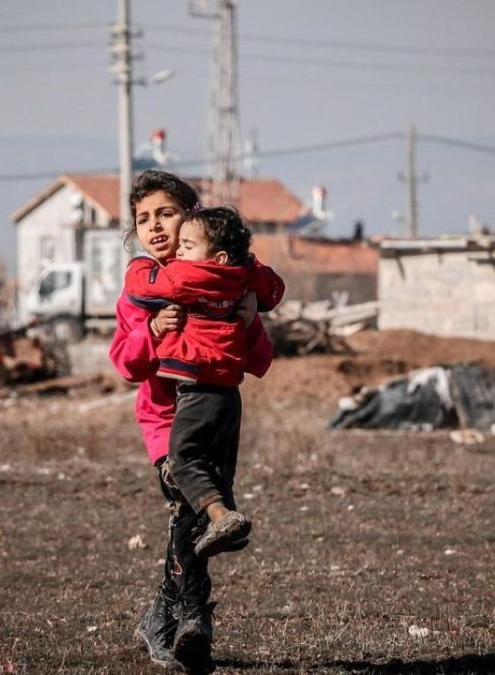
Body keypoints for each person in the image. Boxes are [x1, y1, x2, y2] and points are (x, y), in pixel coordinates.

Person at [108, 170, 276, 671]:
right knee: (189, 506)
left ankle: (163, 616)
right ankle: (192, 620)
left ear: (193, 218)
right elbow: (125, 365)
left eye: (166, 213)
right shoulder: (141, 291)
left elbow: (257, 359)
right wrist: (155, 331)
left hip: (217, 410)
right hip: (165, 420)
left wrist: (246, 320)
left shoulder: (225, 283)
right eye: (143, 219)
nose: (155, 227)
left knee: (194, 516)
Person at [123, 205, 283, 553]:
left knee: (182, 461)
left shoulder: (186, 277)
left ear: (218, 257)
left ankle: (221, 517)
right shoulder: (241, 282)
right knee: (219, 474)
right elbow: (274, 288)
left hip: (196, 390)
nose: (179, 251)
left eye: (188, 245)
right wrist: (255, 285)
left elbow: (142, 284)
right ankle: (229, 525)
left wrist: (138, 264)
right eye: (143, 219)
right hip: (229, 396)